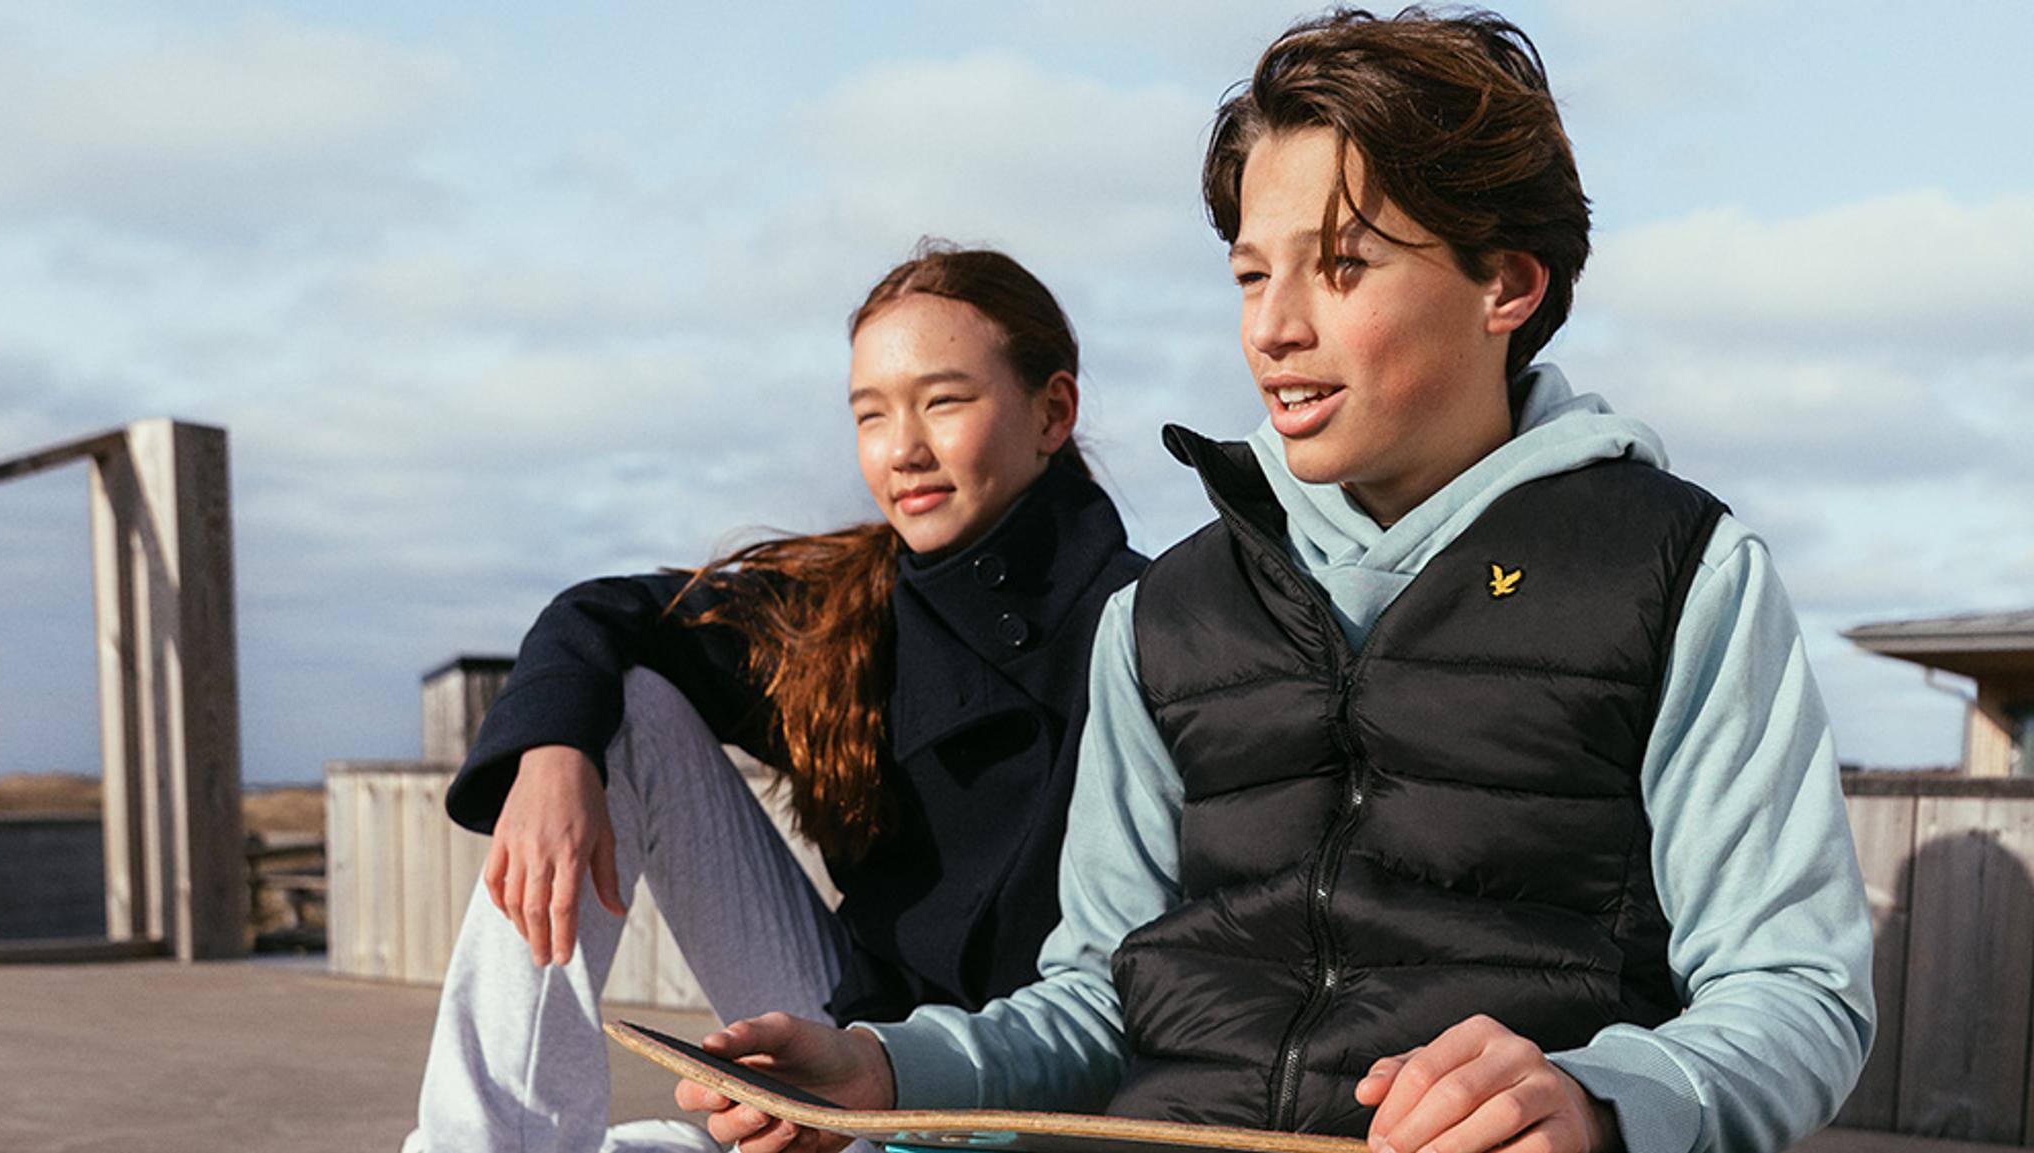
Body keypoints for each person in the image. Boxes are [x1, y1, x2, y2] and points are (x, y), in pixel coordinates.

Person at [672, 10, 1876, 1153]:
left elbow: (1795, 990)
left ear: (1504, 284)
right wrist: (888, 1072)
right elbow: (1100, 1001)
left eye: (1341, 265)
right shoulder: (1164, 615)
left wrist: (1601, 1097)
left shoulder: (1672, 574)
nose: (1272, 330)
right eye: (1251, 276)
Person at [403, 242, 1148, 1153]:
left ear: (1052, 410)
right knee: (623, 708)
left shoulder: (1152, 628)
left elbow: (1124, 1002)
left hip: (1023, 1103)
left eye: (944, 400)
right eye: (871, 415)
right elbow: (605, 610)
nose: (903, 449)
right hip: (843, 1051)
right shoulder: (846, 609)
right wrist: (553, 755)